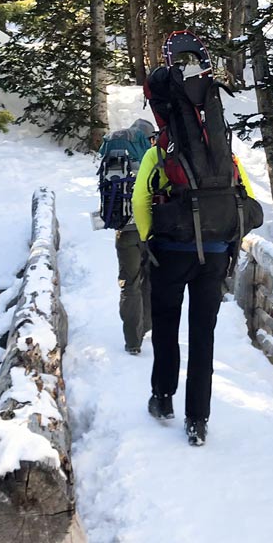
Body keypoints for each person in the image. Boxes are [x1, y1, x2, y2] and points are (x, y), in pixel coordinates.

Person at [132, 56, 257, 446]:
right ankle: (197, 420)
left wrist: (150, 240)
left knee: (167, 327)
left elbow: (139, 202)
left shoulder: (160, 152)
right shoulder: (226, 155)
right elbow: (247, 199)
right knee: (204, 336)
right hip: (216, 255)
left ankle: (163, 397)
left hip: (171, 253)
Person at [98, 119, 156, 355]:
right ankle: (145, 326)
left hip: (124, 231)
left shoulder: (115, 156)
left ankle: (133, 340)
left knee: (129, 285)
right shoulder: (150, 157)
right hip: (151, 230)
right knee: (150, 280)